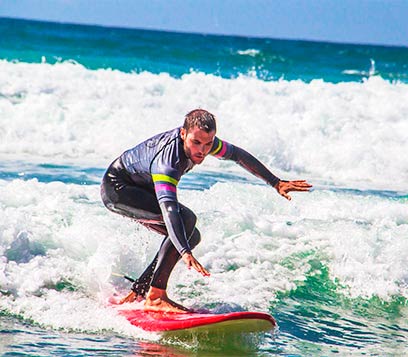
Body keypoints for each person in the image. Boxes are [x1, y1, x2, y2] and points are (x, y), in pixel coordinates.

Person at [101, 109, 312, 313]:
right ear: (183, 134)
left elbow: (238, 155)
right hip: (118, 189)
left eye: (208, 144)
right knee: (185, 220)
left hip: (142, 187)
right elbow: (169, 208)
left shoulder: (204, 143)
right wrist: (184, 252)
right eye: (196, 142)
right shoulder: (169, 163)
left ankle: (141, 290)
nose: (202, 150)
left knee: (191, 236)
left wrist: (275, 182)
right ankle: (156, 297)